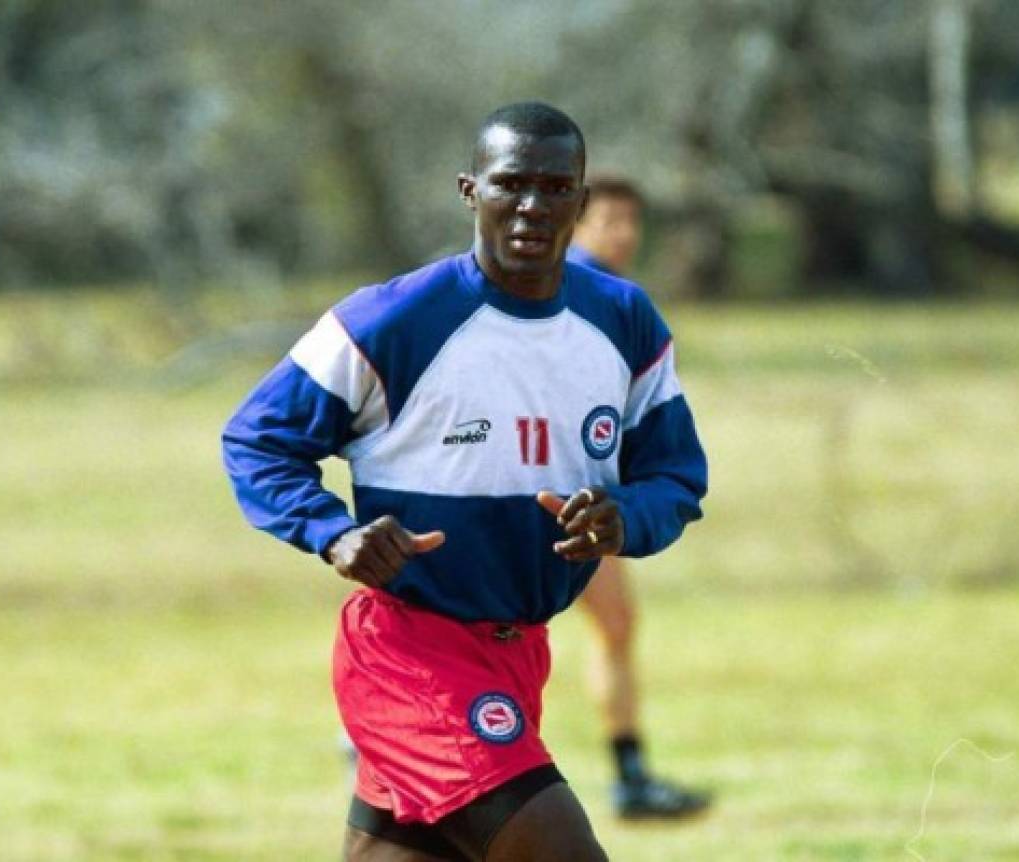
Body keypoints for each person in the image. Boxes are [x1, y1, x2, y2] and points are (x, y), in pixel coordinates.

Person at [222, 102, 707, 862]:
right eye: (511, 183)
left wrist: (627, 516)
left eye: (555, 188)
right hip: (411, 654)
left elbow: (676, 475)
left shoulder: (624, 321)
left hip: (518, 655)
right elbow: (256, 438)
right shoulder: (393, 319)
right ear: (469, 190)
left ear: (581, 203)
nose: (532, 206)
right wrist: (334, 532)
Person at [567, 177, 712, 820]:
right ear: (576, 223)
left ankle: (630, 775)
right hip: (562, 501)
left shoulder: (615, 299)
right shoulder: (583, 294)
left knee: (614, 625)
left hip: (588, 500)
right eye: (608, 219)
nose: (623, 232)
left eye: (631, 219)